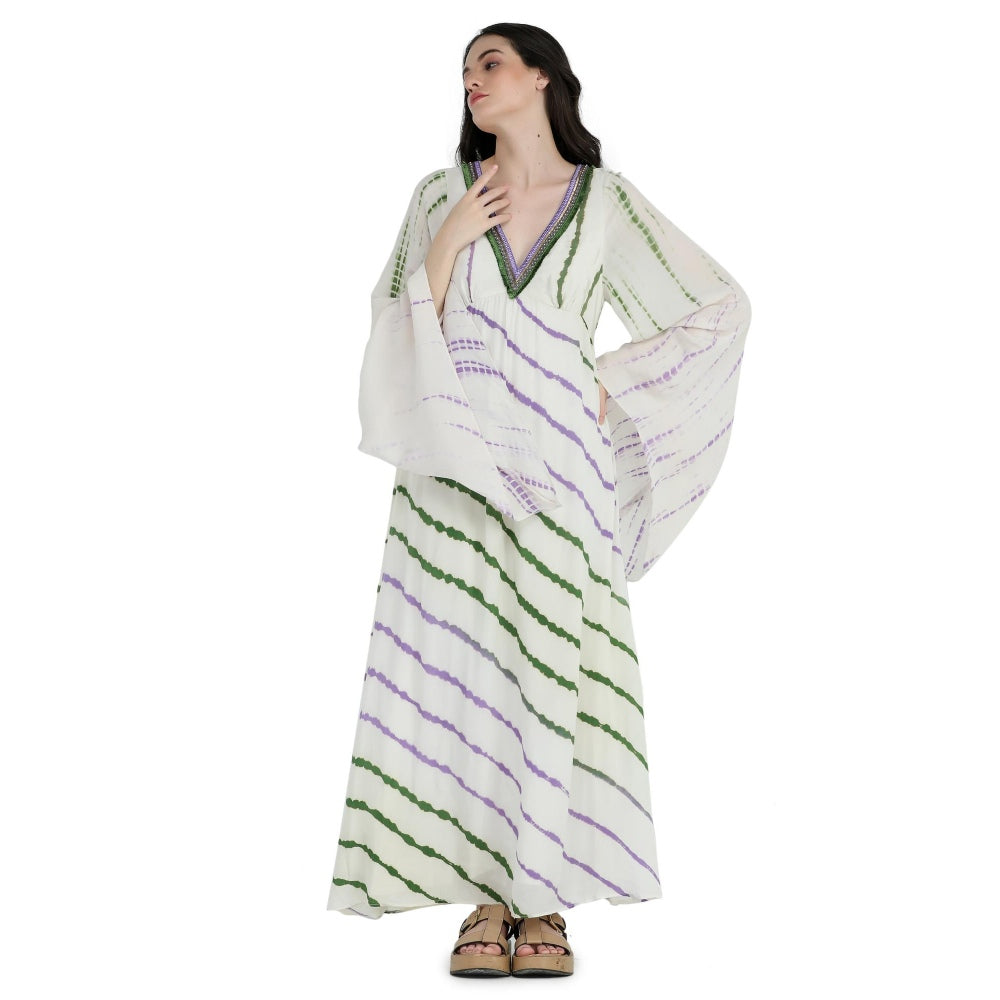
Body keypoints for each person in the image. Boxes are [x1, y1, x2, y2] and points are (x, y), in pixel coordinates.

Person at [327, 22, 752, 978]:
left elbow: (719, 308)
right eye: (464, 70)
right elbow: (396, 319)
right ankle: (485, 895)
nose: (471, 81)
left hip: (563, 476)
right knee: (462, 673)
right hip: (451, 469)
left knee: (553, 671)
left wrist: (608, 385)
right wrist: (448, 239)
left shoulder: (605, 202)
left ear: (544, 78)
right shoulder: (438, 195)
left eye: (490, 63)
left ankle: (544, 900)